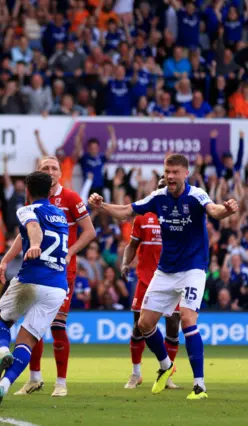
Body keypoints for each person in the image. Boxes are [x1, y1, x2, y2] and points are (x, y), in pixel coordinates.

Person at [88, 154, 238, 399]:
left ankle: (199, 385)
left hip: (192, 269)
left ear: (185, 174)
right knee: (144, 324)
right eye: (167, 171)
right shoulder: (158, 198)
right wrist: (101, 206)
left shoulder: (197, 195)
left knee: (188, 319)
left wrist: (227, 209)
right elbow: (126, 210)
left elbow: (214, 210)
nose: (170, 176)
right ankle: (166, 366)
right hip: (165, 271)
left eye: (175, 172)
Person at [0, 156, 96, 397]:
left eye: (54, 167)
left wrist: (69, 253)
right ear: (41, 174)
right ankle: (33, 378)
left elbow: (87, 231)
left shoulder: (69, 199)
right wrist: (7, 258)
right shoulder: (53, 210)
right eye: (46, 168)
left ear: (61, 173)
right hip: (54, 281)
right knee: (33, 331)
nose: (50, 171)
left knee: (55, 327)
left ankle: (60, 382)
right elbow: (26, 233)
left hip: (59, 272)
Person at [0, 171, 69, 407]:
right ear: (50, 191)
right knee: (27, 340)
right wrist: (6, 260)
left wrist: (35, 245)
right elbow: (24, 234)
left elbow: (33, 228)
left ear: (27, 190)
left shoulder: (27, 209)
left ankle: (2, 350)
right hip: (58, 287)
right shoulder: (60, 215)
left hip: (32, 279)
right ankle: (3, 385)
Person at [120, 177, 180, 389]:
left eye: (167, 188)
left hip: (173, 280)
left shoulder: (179, 217)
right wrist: (125, 263)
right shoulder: (143, 217)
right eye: (161, 188)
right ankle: (136, 374)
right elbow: (132, 245)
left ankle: (167, 374)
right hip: (147, 280)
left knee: (173, 327)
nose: (164, 191)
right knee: (139, 327)